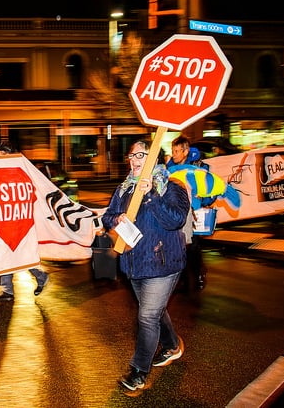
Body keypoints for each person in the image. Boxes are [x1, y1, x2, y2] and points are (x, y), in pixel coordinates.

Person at [102, 139, 190, 392]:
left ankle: (139, 371)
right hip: (134, 263)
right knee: (155, 310)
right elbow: (107, 215)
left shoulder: (172, 186)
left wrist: (150, 194)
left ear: (154, 159)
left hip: (163, 263)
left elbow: (175, 219)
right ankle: (172, 346)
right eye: (131, 155)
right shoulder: (124, 188)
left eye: (141, 155)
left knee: (148, 315)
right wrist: (116, 218)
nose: (134, 160)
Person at [0, 142, 49, 302]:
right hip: (5, 220)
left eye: (1, 155)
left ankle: (37, 278)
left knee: (16, 255)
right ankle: (10, 289)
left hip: (18, 222)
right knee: (8, 255)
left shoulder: (21, 172)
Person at [166, 135, 209, 292]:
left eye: (177, 151)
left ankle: (197, 274)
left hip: (194, 212)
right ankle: (183, 279)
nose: (174, 154)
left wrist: (202, 200)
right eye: (173, 151)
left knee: (193, 246)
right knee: (179, 246)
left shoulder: (198, 167)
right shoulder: (169, 167)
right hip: (177, 211)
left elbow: (209, 188)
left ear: (186, 151)